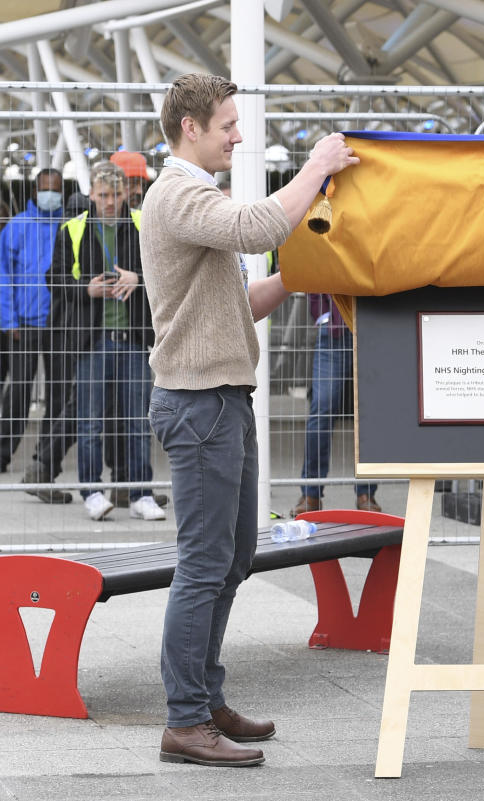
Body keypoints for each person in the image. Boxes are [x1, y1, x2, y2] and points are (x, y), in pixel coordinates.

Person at [140, 72, 357, 768]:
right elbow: (257, 225)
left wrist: (299, 274)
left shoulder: (194, 195)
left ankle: (203, 699)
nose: (237, 135)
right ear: (191, 127)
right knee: (204, 567)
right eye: (228, 124)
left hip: (222, 400)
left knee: (230, 560)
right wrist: (317, 168)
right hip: (200, 404)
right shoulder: (178, 194)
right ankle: (184, 720)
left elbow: (241, 302)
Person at [49, 161, 165, 521]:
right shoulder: (73, 228)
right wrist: (86, 289)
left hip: (132, 338)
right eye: (103, 195)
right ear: (91, 195)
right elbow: (52, 278)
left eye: (115, 195)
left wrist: (139, 278)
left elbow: (167, 271)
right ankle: (92, 491)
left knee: (136, 420)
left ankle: (140, 493)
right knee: (90, 421)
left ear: (127, 193)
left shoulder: (144, 225)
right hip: (92, 340)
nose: (110, 201)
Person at [0, 168, 66, 474]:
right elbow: (3, 278)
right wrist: (9, 320)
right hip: (24, 325)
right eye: (45, 189)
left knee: (58, 391)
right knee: (19, 392)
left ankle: (46, 456)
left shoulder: (69, 226)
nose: (50, 194)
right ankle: (3, 453)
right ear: (34, 193)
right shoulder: (16, 227)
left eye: (55, 189)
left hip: (59, 325)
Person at [291, 292, 379, 517]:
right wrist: (323, 317)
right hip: (334, 331)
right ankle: (311, 493)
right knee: (322, 407)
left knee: (371, 410)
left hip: (371, 323)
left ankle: (366, 493)